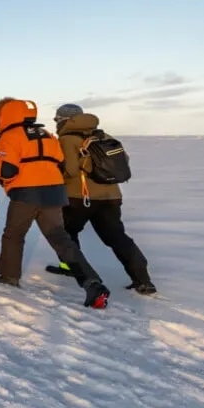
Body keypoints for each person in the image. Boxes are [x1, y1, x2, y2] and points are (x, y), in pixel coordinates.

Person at [0, 98, 110, 309]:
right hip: (54, 192)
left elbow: (8, 170)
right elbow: (61, 164)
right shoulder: (46, 134)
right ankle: (92, 282)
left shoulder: (10, 136)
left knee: (14, 235)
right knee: (60, 238)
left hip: (26, 194)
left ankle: (9, 275)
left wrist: (8, 182)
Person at [52, 104, 156, 295]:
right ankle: (143, 279)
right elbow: (124, 160)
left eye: (56, 120)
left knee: (66, 233)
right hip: (112, 196)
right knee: (117, 237)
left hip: (80, 197)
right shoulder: (104, 136)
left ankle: (73, 269)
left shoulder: (67, 139)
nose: (55, 123)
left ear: (64, 120)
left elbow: (71, 170)